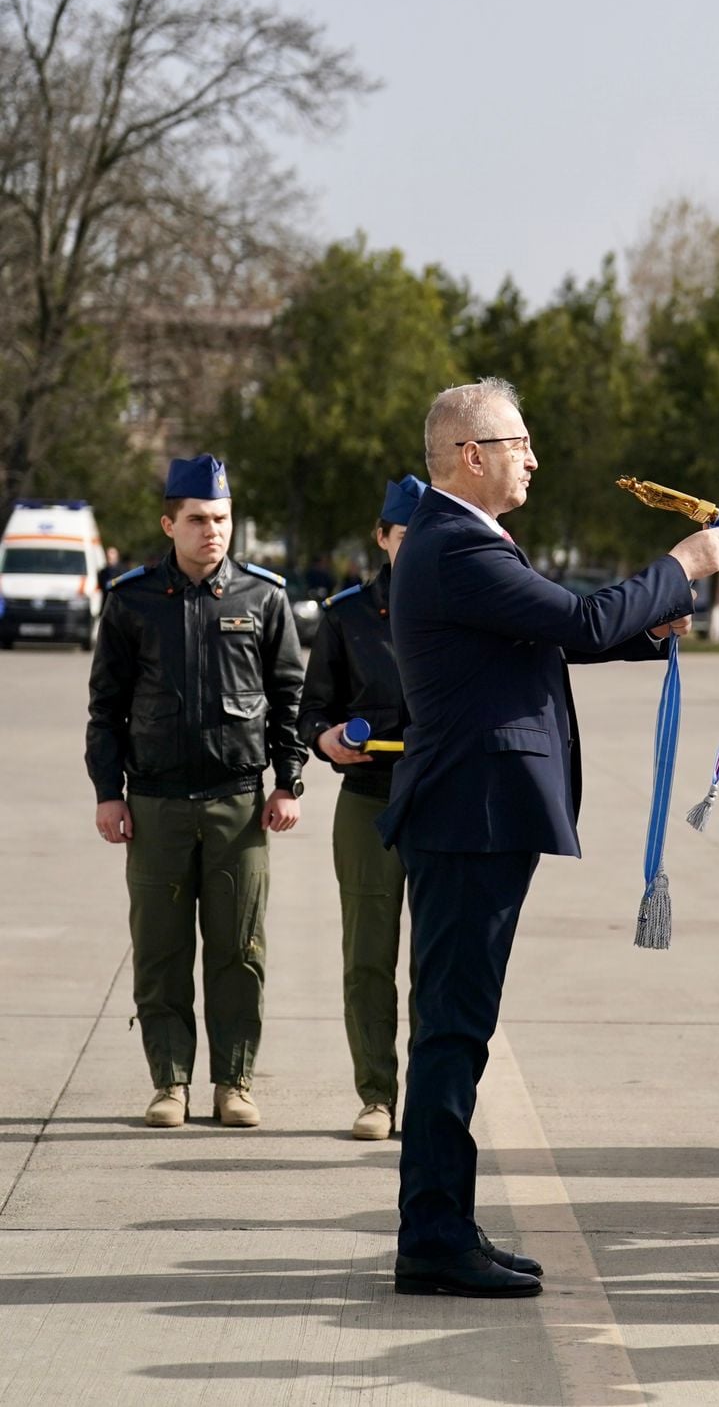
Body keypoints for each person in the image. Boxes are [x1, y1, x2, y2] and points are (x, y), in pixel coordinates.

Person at [378, 379, 719, 1299]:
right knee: (453, 1033)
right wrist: (683, 564)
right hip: (469, 817)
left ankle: (447, 1223)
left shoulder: (461, 542)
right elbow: (572, 619)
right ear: (470, 455)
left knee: (461, 1030)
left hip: (476, 816)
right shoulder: (453, 544)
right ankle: (433, 1238)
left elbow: (548, 637)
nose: (532, 459)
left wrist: (651, 627)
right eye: (518, 443)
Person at [86, 454, 306, 1130]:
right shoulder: (131, 601)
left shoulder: (262, 598)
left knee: (239, 949)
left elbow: (288, 698)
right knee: (161, 948)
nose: (212, 532)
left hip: (239, 804)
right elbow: (107, 707)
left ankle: (233, 1082)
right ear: (169, 524)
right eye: (198, 520)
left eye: (221, 519)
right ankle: (170, 1083)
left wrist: (288, 782)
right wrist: (108, 792)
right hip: (154, 804)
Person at [298, 475, 425, 1141]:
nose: (420, 546)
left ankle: (431, 1104)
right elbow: (313, 707)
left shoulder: (466, 604)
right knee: (369, 956)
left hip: (441, 803)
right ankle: (377, 1095)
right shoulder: (346, 615)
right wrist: (323, 739)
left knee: (435, 962)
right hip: (370, 799)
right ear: (382, 538)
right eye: (408, 535)